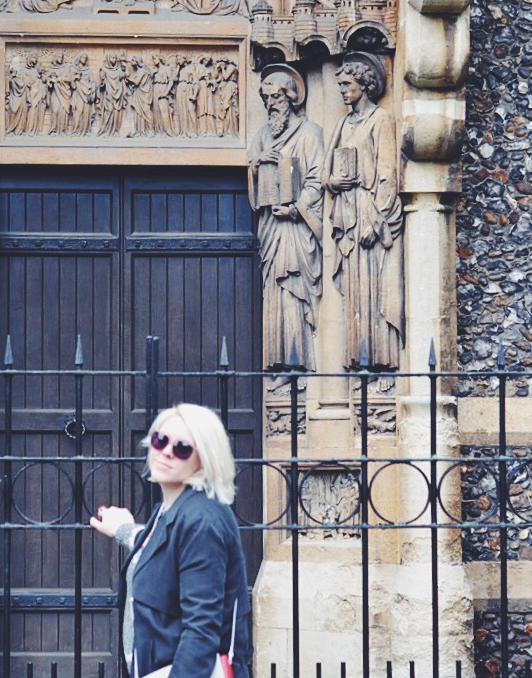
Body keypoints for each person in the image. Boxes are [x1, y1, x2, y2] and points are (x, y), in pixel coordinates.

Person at [90, 404, 252, 677]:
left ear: (205, 460)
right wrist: (124, 529)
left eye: (182, 448)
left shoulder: (201, 521)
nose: (166, 451)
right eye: (160, 440)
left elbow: (201, 631)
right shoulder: (172, 508)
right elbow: (166, 553)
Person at [323, 52, 404, 372]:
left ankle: (381, 361)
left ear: (364, 84)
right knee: (355, 293)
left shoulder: (381, 119)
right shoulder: (343, 123)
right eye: (340, 85)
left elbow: (388, 173)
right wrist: (335, 182)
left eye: (347, 84)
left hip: (370, 214)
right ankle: (357, 359)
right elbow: (327, 174)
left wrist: (378, 220)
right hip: (347, 213)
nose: (343, 90)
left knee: (374, 289)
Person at [247, 65, 323, 377]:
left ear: (291, 98)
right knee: (273, 289)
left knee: (293, 289)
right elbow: (252, 178)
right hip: (270, 227)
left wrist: (295, 209)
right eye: (266, 98)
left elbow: (318, 180)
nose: (270, 104)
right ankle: (277, 362)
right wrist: (257, 164)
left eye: (276, 97)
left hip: (295, 228)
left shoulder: (309, 133)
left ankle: (297, 363)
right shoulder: (262, 136)